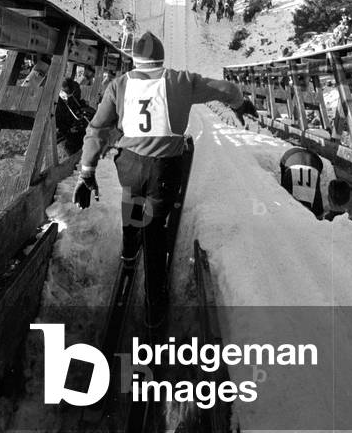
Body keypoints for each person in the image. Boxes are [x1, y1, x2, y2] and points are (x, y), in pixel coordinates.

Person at [73, 31, 257, 328]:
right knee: (155, 229)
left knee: (131, 202)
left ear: (134, 59)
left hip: (129, 164)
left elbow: (95, 129)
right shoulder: (179, 81)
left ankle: (129, 252)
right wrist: (238, 103)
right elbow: (225, 88)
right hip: (164, 169)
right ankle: (155, 303)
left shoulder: (118, 85)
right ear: (161, 58)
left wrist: (87, 171)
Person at [279, 146, 326, 216]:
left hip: (290, 160)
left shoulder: (289, 154)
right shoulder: (316, 158)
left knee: (286, 199)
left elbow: (282, 179)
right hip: (313, 165)